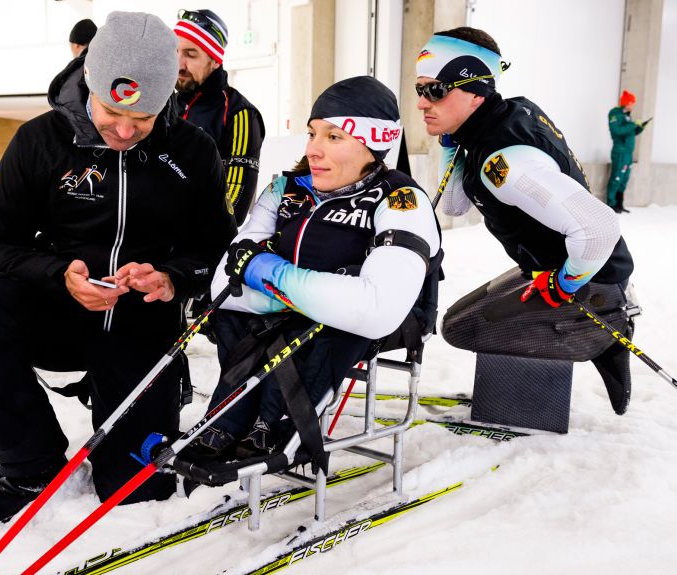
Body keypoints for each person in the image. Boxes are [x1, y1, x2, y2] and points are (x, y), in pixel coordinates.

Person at [0, 11, 236, 529]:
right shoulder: (39, 140)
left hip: (140, 326)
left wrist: (172, 277)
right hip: (59, 313)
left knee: (134, 491)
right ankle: (29, 462)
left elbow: (216, 249)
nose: (123, 129)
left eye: (140, 120)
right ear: (91, 81)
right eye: (112, 111)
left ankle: (133, 427)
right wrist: (57, 274)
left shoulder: (193, 150)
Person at [189, 76, 441, 460]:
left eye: (334, 137)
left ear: (372, 144)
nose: (312, 150)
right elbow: (225, 280)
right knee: (234, 317)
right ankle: (232, 417)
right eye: (311, 134)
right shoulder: (286, 190)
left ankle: (278, 423)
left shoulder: (401, 200)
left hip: (375, 322)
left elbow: (375, 309)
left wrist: (272, 275)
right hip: (299, 310)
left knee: (326, 324)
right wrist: (307, 294)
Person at [414, 27, 635, 415]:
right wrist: (451, 145)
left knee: (461, 328)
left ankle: (602, 329)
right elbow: (453, 206)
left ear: (474, 90)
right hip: (556, 266)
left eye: (435, 90)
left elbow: (599, 228)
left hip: (588, 275)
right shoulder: (499, 118)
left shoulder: (506, 162)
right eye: (420, 89)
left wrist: (564, 284)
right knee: (457, 319)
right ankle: (598, 326)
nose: (421, 103)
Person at [173, 8, 265, 225]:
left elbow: (234, 209)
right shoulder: (167, 105)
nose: (179, 64)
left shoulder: (240, 113)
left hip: (201, 247)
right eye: (175, 52)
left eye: (190, 54)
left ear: (214, 60)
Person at [605, 90, 650, 214]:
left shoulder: (627, 114)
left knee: (624, 179)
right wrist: (632, 124)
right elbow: (617, 131)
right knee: (617, 177)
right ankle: (611, 204)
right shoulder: (615, 114)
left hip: (628, 153)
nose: (633, 105)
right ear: (627, 103)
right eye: (632, 103)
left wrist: (639, 127)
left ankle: (619, 204)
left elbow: (630, 133)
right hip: (620, 152)